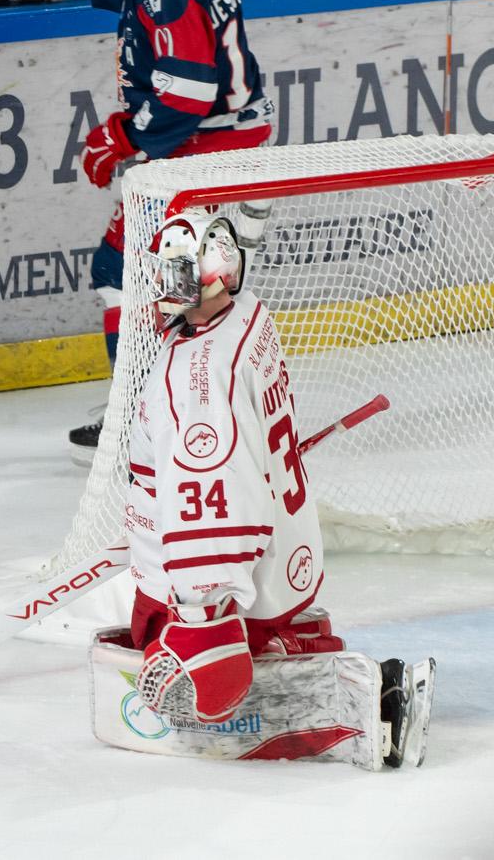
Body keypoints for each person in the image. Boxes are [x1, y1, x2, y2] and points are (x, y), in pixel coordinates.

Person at [87, 208, 435, 771]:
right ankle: (305, 651)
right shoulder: (244, 316)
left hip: (221, 589)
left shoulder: (196, 380)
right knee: (268, 629)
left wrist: (204, 619)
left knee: (204, 676)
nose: (162, 287)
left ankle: (373, 708)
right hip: (280, 551)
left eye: (175, 275)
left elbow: (214, 502)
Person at [30, 0, 274, 455]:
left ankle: (146, 418)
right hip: (230, 133)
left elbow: (186, 91)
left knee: (131, 273)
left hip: (205, 143)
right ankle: (186, 409)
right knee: (176, 283)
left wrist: (121, 135)